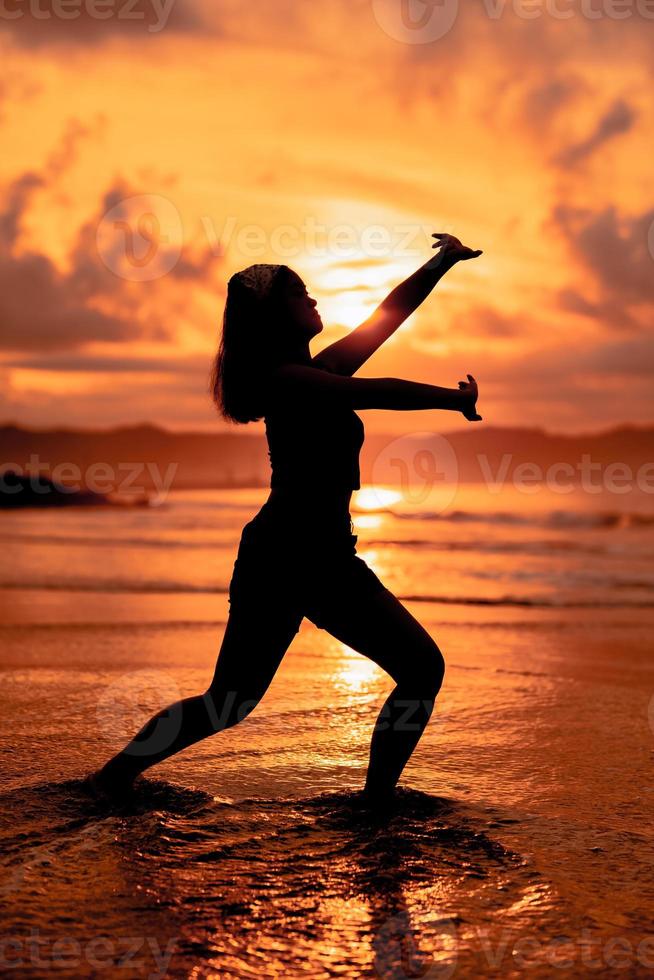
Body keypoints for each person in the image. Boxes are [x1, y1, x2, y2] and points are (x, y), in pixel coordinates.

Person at [91, 233, 482, 806]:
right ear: (278, 316)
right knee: (237, 699)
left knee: (243, 697)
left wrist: (442, 261)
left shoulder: (314, 370)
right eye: (301, 293)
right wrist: (451, 401)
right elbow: (379, 393)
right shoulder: (288, 381)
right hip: (290, 555)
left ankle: (373, 803)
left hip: (316, 554)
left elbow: (386, 316)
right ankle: (372, 807)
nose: (314, 299)